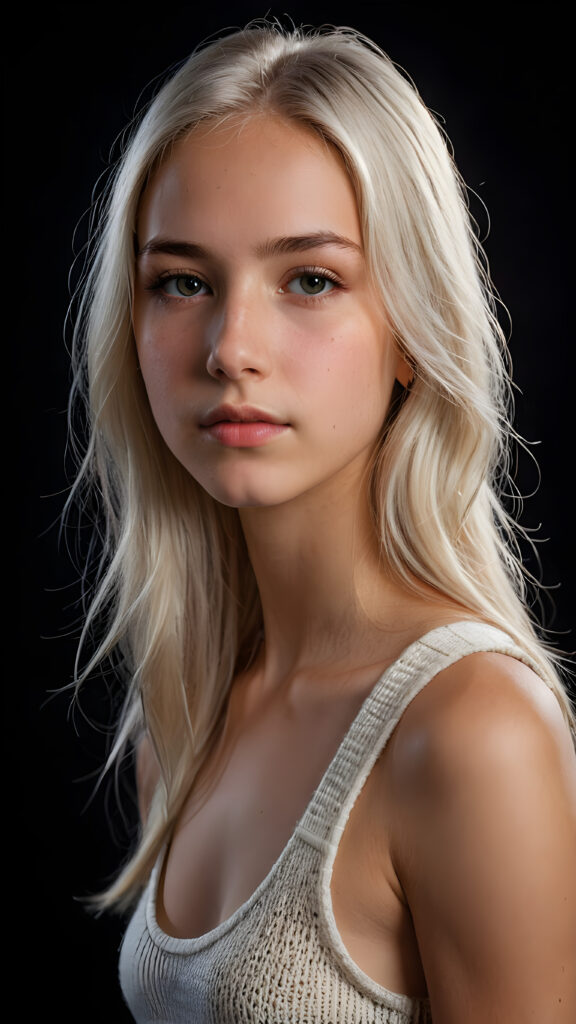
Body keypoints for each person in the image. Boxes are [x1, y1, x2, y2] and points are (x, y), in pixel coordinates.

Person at [68, 20, 576, 1023]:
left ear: (410, 336)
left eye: (310, 279)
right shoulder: (186, 719)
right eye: (183, 281)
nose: (230, 346)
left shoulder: (469, 732)